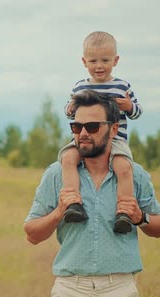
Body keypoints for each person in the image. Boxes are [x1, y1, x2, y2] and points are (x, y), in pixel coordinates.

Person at [24, 90, 160, 297]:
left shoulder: (134, 175)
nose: (82, 133)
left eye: (92, 126)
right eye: (76, 127)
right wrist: (59, 211)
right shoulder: (56, 174)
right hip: (71, 294)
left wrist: (140, 218)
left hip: (120, 293)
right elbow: (31, 233)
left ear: (113, 130)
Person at [60, 31, 143, 234]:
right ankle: (73, 204)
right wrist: (70, 108)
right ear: (84, 61)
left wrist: (129, 106)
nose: (99, 66)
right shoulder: (80, 87)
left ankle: (123, 212)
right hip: (83, 139)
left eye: (105, 60)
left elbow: (138, 112)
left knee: (123, 167)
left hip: (115, 140)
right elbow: (69, 111)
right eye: (93, 61)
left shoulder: (122, 86)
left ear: (115, 60)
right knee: (68, 158)